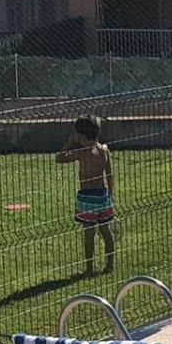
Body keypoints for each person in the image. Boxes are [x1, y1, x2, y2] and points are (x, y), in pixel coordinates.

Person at [58, 115, 116, 276]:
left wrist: (69, 143)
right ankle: (110, 265)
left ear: (80, 136)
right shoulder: (104, 149)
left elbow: (60, 158)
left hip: (87, 197)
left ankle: (89, 269)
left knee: (89, 234)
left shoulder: (82, 152)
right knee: (106, 232)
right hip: (102, 195)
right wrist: (110, 193)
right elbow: (110, 174)